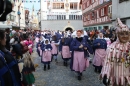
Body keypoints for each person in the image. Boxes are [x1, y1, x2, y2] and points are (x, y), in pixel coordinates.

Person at [100, 18, 130, 86]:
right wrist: (106, 75)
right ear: (118, 35)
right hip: (116, 76)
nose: (125, 36)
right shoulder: (111, 48)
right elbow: (107, 62)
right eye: (122, 34)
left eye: (127, 34)